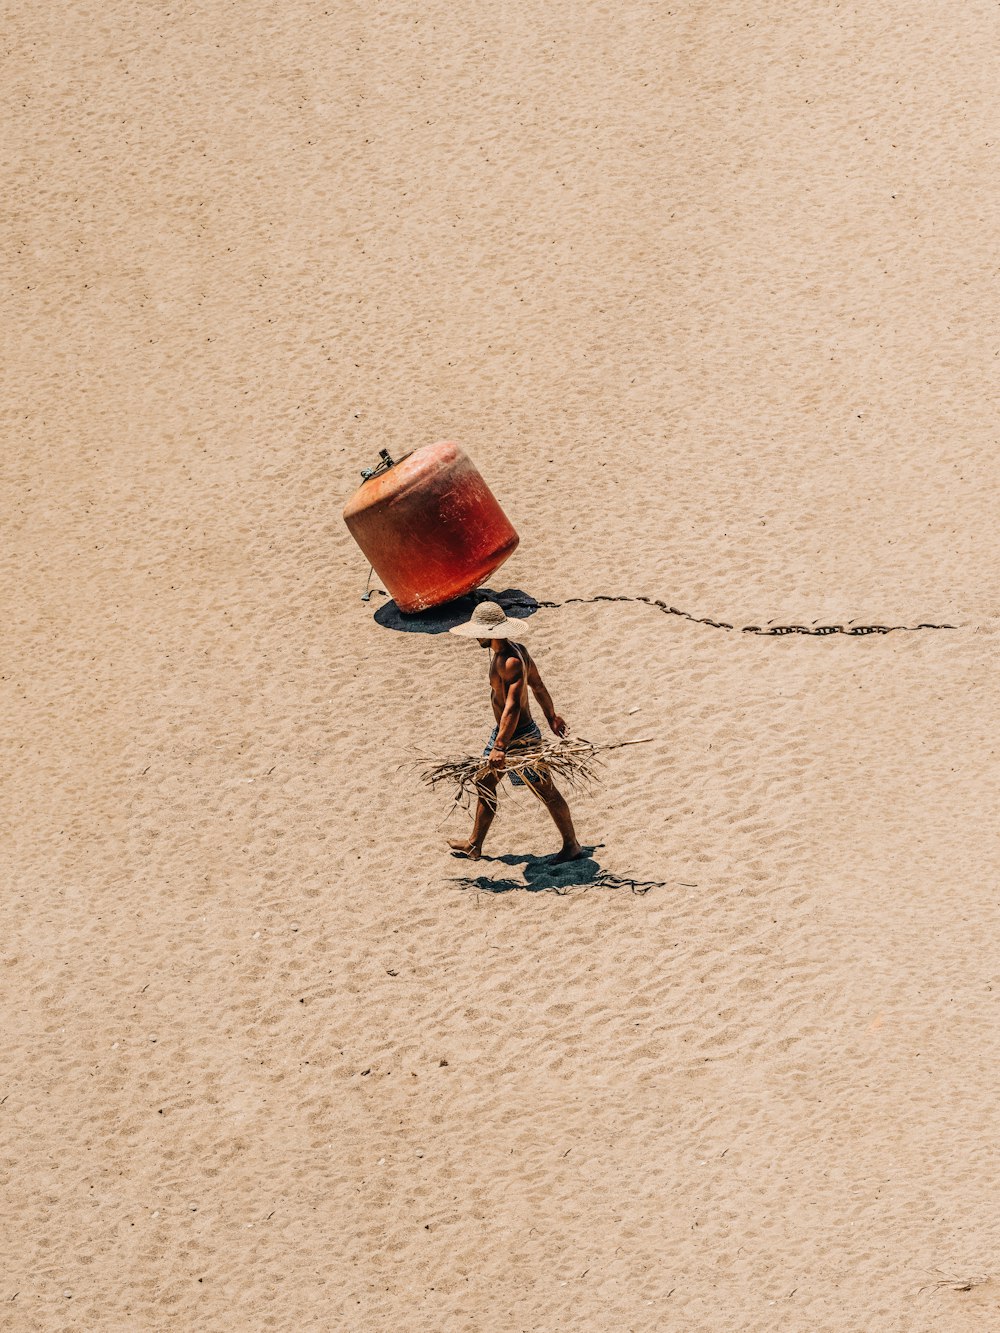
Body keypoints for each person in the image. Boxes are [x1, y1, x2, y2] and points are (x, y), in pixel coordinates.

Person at [447, 600, 582, 863]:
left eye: (479, 633)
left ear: (489, 634)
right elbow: (539, 686)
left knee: (545, 790)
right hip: (507, 733)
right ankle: (475, 845)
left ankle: (572, 845)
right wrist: (552, 716)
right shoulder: (518, 651)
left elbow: (512, 707)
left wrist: (500, 747)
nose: (475, 638)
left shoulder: (509, 662)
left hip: (519, 738)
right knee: (485, 782)